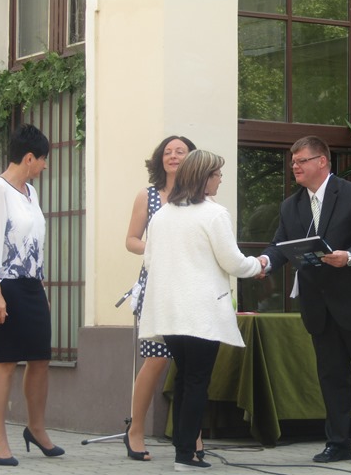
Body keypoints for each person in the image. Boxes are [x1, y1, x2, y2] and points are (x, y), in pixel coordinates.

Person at [257, 135, 351, 465]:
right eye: (293, 162)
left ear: (322, 161)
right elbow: (279, 246)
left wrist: (349, 256)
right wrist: (263, 262)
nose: (295, 166)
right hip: (320, 307)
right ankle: (338, 443)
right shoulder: (291, 206)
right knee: (332, 378)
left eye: (301, 161)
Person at [138, 149, 264, 471]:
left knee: (184, 379)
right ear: (204, 178)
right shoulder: (214, 214)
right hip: (201, 314)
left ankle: (185, 451)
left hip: (169, 313)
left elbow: (149, 261)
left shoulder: (161, 215)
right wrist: (259, 264)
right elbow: (233, 262)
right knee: (196, 381)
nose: (220, 179)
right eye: (217, 174)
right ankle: (185, 455)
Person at [0, 124, 64, 466]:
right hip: (5, 285)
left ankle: (36, 429)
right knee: (7, 361)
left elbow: (34, 242)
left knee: (40, 359)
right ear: (28, 158)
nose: (44, 165)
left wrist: (41, 286)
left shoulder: (30, 192)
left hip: (31, 285)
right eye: (42, 159)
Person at [124, 135, 205, 462]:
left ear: (192, 158)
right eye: (168, 152)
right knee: (156, 359)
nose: (173, 156)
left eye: (180, 151)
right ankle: (135, 430)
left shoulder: (201, 198)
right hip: (157, 286)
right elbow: (131, 240)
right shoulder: (148, 196)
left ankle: (192, 437)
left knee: (193, 366)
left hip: (192, 288)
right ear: (160, 159)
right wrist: (159, 247)